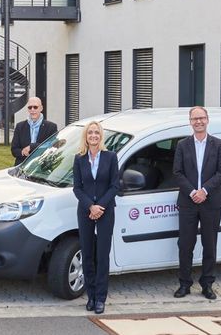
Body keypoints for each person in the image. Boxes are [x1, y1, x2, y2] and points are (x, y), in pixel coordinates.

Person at [172, 106, 221, 300]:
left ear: (207, 120)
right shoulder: (182, 145)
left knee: (210, 244)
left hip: (211, 201)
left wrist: (204, 191)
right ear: (190, 121)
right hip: (188, 202)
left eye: (202, 118)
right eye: (195, 118)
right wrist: (192, 192)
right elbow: (177, 173)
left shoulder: (219, 145)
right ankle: (184, 284)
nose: (199, 121)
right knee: (185, 244)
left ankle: (207, 284)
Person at [71, 121, 121, 315]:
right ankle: (90, 295)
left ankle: (101, 298)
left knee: (102, 255)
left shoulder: (110, 157)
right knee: (88, 254)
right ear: (86, 136)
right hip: (85, 209)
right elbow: (77, 187)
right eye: (90, 133)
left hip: (106, 210)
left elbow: (115, 185)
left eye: (97, 133)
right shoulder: (79, 158)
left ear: (101, 136)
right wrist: (90, 206)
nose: (93, 135)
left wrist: (100, 206)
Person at [10, 97, 58, 165]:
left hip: (42, 166)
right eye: (30, 107)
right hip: (22, 165)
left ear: (41, 108)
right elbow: (14, 149)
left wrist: (31, 147)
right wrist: (23, 152)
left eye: (35, 107)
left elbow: (52, 146)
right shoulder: (20, 126)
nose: (32, 109)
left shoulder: (51, 127)